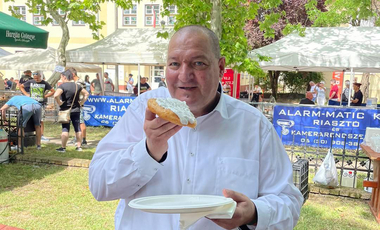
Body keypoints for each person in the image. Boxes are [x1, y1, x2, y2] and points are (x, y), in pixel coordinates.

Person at [89, 25, 303, 230]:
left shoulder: (253, 126)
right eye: (174, 64)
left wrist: (254, 213)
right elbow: (99, 185)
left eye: (198, 63)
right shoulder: (141, 111)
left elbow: (289, 202)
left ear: (220, 68)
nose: (184, 75)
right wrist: (148, 150)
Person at [53, 70, 89, 152]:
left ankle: (63, 147)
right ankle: (79, 147)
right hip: (76, 109)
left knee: (65, 129)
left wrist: (60, 103)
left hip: (65, 110)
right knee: (77, 128)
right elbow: (86, 94)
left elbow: (55, 95)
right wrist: (81, 102)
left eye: (61, 77)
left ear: (64, 77)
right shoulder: (77, 86)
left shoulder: (62, 86)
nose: (61, 79)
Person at [19, 70, 55, 142]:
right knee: (31, 120)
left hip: (41, 104)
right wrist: (27, 94)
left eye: (37, 78)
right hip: (31, 103)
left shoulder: (44, 83)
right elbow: (21, 86)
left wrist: (45, 96)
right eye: (35, 78)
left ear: (40, 76)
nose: (36, 79)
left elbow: (53, 91)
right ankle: (29, 135)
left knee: (40, 120)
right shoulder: (30, 82)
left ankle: (41, 135)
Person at [69, 68, 89, 145]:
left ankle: (83, 139)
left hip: (78, 105)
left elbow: (85, 93)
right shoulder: (75, 82)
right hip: (75, 104)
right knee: (76, 122)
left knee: (80, 122)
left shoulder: (79, 82)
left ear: (73, 74)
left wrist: (81, 102)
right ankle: (77, 138)